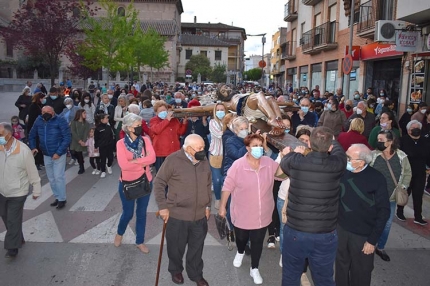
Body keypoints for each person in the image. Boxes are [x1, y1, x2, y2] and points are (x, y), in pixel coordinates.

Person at [280, 126, 347, 286]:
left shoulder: (297, 162)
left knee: (290, 276)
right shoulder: (337, 164)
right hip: (325, 233)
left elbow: (285, 162)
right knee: (324, 278)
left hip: (296, 230)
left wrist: (296, 151)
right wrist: (331, 140)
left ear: (309, 143)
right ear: (330, 146)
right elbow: (340, 152)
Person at [219, 134, 286, 285]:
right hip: (242, 212)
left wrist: (283, 158)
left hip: (263, 213)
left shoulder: (269, 163)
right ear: (248, 148)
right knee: (242, 238)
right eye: (254, 145)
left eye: (260, 145)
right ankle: (240, 251)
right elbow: (227, 186)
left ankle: (254, 268)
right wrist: (222, 206)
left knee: (257, 242)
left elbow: (282, 176)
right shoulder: (238, 165)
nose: (258, 148)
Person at [154, 134, 211, 286]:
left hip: (199, 215)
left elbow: (207, 183)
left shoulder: (204, 160)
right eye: (199, 148)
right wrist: (163, 207)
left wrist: (207, 205)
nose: (202, 150)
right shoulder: (173, 160)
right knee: (175, 248)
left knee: (196, 248)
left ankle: (196, 274)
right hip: (177, 215)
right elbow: (159, 182)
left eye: (203, 147)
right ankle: (175, 270)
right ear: (188, 149)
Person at [335, 144, 390, 286]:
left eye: (348, 158)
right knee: (341, 268)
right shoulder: (342, 172)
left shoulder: (376, 179)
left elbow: (384, 211)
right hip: (341, 230)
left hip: (363, 236)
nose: (345, 160)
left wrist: (372, 240)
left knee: (361, 272)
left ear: (361, 162)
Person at [114, 114, 156, 253]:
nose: (140, 128)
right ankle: (120, 233)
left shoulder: (145, 140)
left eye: (140, 125)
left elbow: (153, 158)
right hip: (127, 183)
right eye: (137, 126)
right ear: (127, 128)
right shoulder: (120, 144)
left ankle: (140, 241)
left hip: (145, 181)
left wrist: (135, 161)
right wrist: (143, 160)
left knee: (142, 213)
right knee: (128, 213)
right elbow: (124, 165)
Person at [0, 123, 41, 258]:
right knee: (6, 217)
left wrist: (37, 190)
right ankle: (18, 237)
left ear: (9, 134)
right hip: (2, 191)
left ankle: (12, 247)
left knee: (12, 218)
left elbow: (32, 171)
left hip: (18, 192)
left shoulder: (23, 150)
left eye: (0, 134)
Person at [370, 130, 411, 262]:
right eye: (378, 140)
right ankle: (368, 244)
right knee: (370, 221)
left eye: (381, 140)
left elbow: (407, 174)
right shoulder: (373, 155)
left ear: (390, 141)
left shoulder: (401, 157)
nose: (379, 142)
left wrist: (403, 187)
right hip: (372, 197)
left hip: (391, 198)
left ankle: (380, 247)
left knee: (386, 224)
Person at [29, 106, 71, 209]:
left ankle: (62, 199)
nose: (45, 113)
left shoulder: (60, 120)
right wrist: (33, 147)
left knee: (58, 177)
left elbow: (67, 137)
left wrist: (59, 152)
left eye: (48, 111)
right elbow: (32, 134)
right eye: (43, 112)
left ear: (53, 112)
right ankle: (57, 197)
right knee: (51, 178)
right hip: (46, 154)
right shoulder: (38, 120)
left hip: (58, 154)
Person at [396, 120, 430, 225]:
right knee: (405, 192)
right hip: (406, 172)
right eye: (412, 128)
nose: (415, 130)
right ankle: (400, 211)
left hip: (420, 173)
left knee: (418, 195)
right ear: (408, 130)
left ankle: (418, 216)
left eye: (417, 128)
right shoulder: (403, 140)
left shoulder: (425, 141)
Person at [149, 101, 188, 172]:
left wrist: (184, 123)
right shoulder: (154, 120)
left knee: (174, 173)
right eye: (160, 111)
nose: (163, 112)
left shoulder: (174, 119)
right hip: (162, 153)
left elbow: (180, 132)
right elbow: (156, 130)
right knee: (163, 174)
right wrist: (167, 120)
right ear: (156, 113)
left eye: (164, 110)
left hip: (174, 151)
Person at [208, 103, 226, 209]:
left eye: (222, 109)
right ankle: (218, 198)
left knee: (225, 178)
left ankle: (225, 198)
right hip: (216, 154)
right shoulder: (212, 122)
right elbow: (219, 134)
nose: (220, 112)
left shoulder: (230, 121)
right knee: (217, 179)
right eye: (218, 110)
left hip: (227, 155)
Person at [94, 113, 115, 178]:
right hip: (102, 146)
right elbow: (96, 138)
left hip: (109, 145)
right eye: (106, 118)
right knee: (102, 159)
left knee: (110, 158)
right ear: (102, 120)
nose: (107, 119)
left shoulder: (109, 127)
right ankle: (103, 171)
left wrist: (112, 144)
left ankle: (109, 165)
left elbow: (111, 136)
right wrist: (96, 146)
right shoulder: (98, 128)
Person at [70, 110, 90, 174]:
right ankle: (80, 160)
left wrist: (83, 141)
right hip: (75, 140)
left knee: (79, 153)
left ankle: (81, 166)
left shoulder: (86, 123)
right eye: (84, 113)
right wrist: (79, 140)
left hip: (82, 141)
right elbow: (73, 131)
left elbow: (86, 132)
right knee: (73, 152)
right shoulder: (73, 122)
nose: (85, 114)